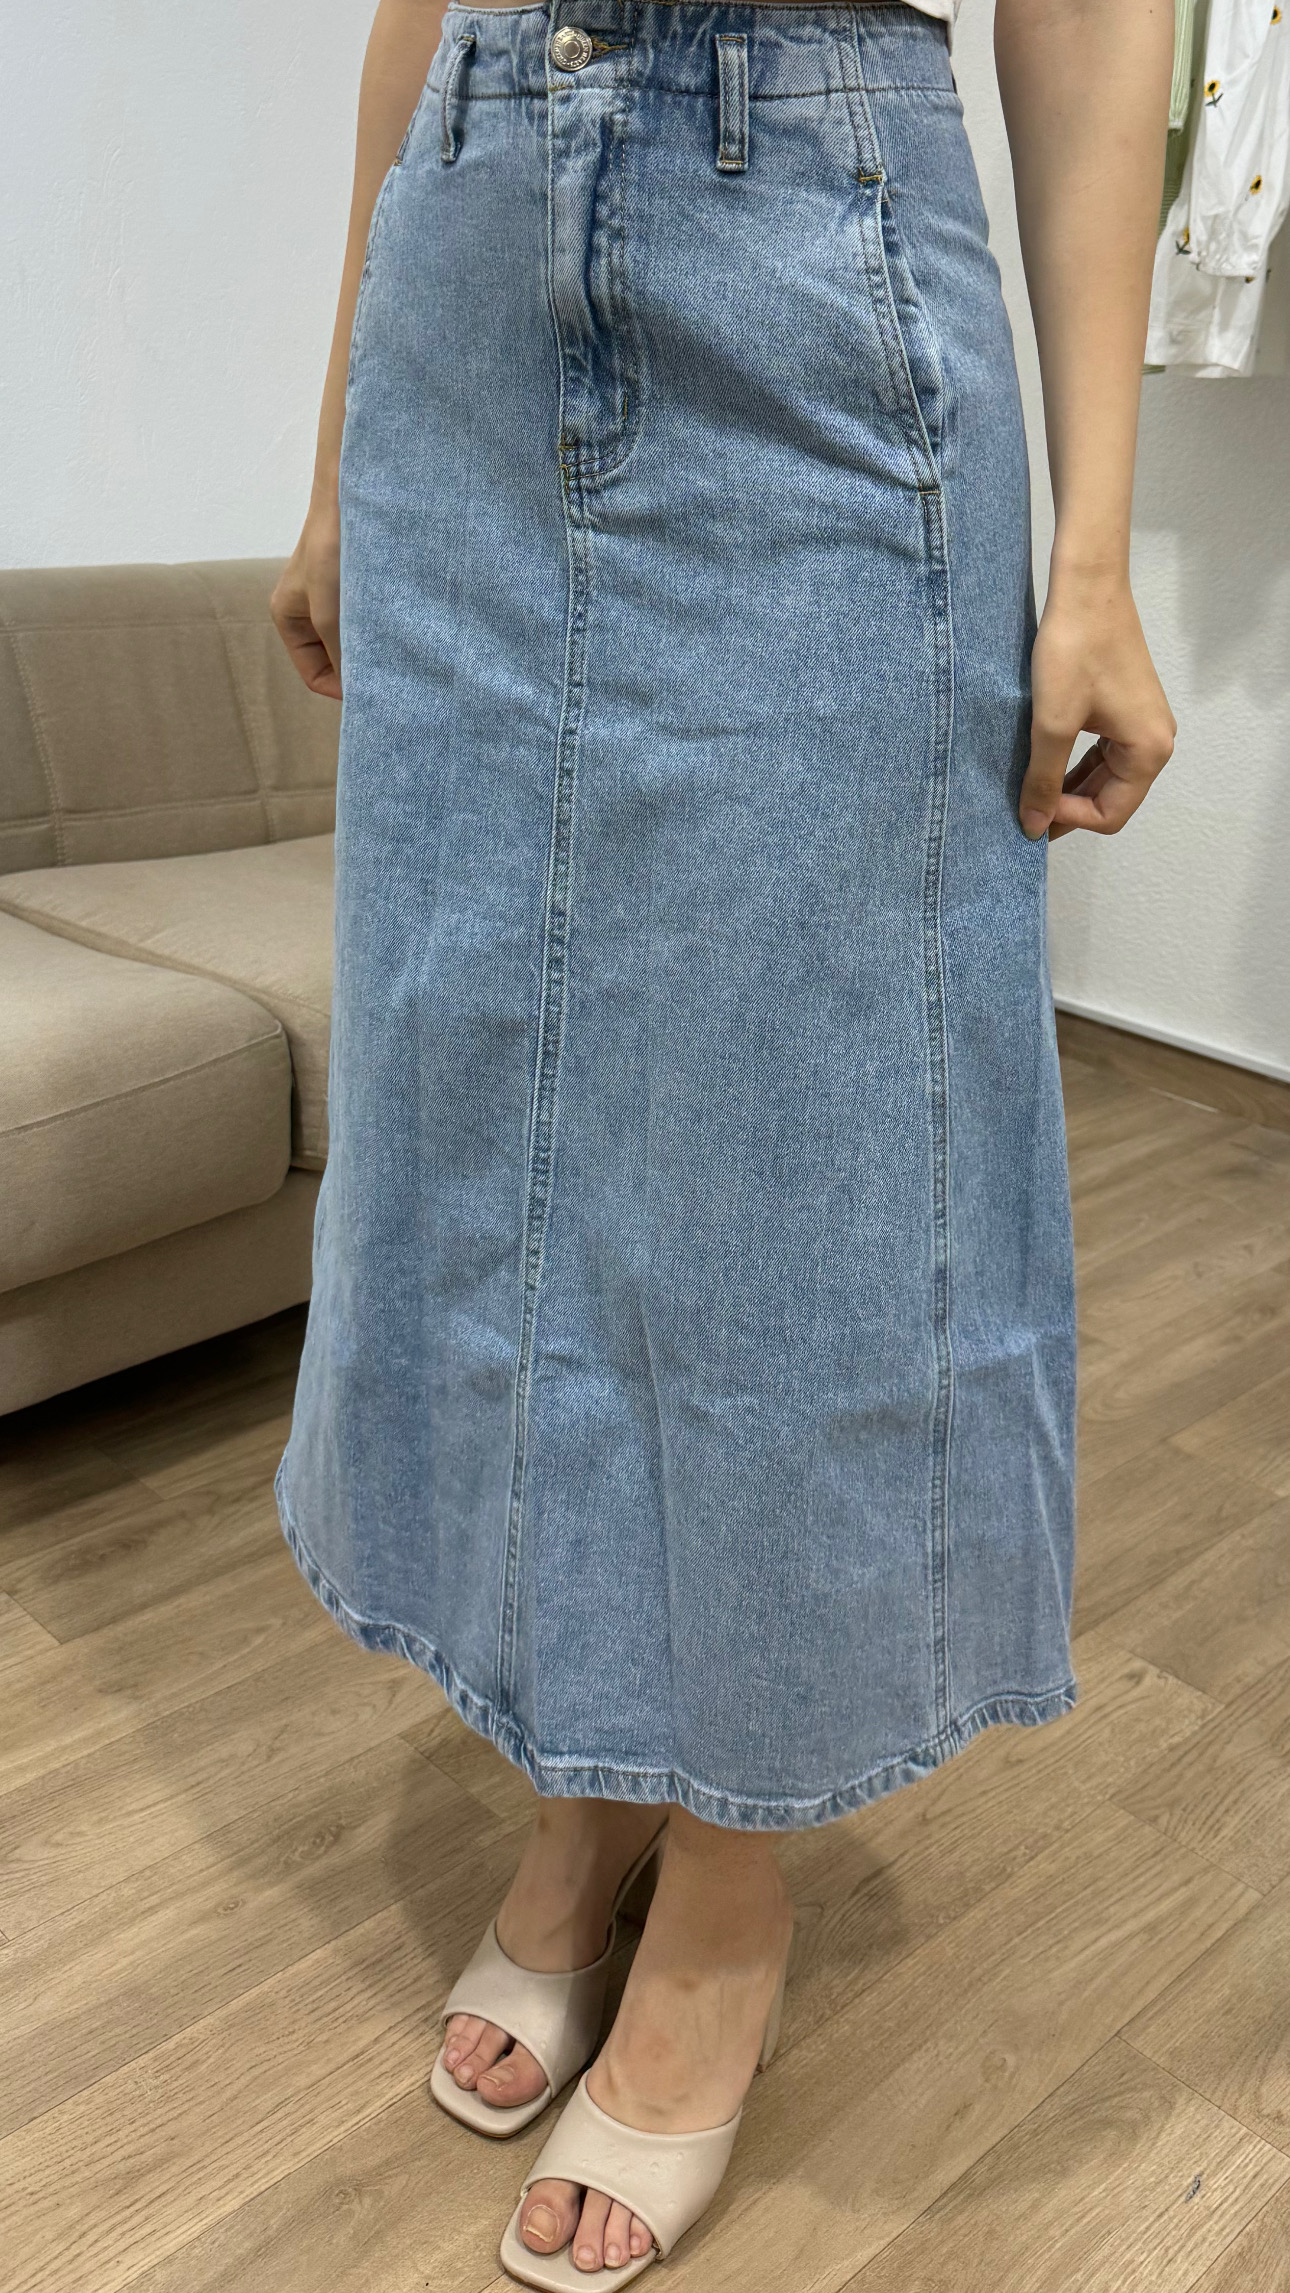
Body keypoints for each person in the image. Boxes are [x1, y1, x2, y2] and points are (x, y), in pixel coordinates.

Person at [270, 0, 1176, 2281]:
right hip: (467, 254)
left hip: (815, 244)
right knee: (490, 1109)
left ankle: (733, 1876)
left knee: (795, 1143)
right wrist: (337, 452)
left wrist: (1090, 556)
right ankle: (591, 1780)